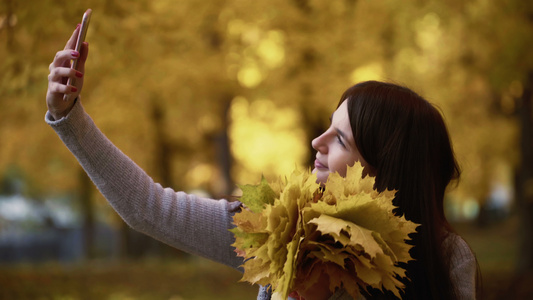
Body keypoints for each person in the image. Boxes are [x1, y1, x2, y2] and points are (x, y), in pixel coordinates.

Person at [46, 25, 478, 300]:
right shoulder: (274, 224)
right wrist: (70, 117)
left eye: (340, 138)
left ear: (383, 168)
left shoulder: (446, 258)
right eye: (327, 127)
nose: (317, 141)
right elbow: (151, 208)